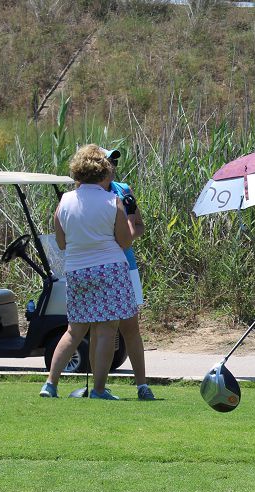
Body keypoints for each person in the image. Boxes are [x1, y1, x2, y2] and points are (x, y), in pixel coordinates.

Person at [39, 144, 134, 400]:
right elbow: (125, 241)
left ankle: (50, 383)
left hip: (77, 270)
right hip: (110, 269)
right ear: (103, 171)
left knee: (74, 331)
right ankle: (99, 390)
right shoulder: (112, 201)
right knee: (105, 330)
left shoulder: (64, 202)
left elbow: (61, 243)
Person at [100, 147, 155, 401]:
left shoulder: (123, 189)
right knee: (102, 328)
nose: (112, 165)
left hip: (126, 266)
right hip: (99, 265)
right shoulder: (85, 193)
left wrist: (129, 230)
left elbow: (138, 228)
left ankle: (142, 385)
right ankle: (99, 387)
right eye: (107, 161)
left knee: (130, 327)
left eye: (113, 161)